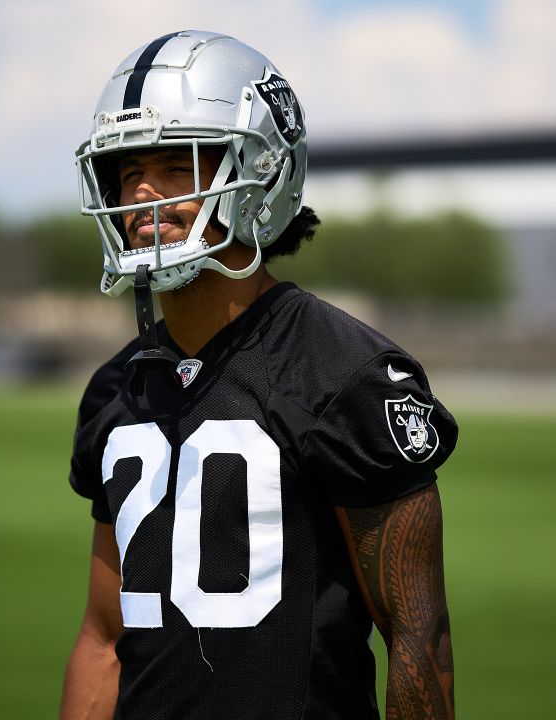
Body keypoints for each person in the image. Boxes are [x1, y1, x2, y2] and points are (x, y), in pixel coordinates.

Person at [61, 31, 458, 719]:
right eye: (128, 172)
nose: (144, 192)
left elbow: (417, 639)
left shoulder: (343, 373)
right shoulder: (116, 389)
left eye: (177, 165)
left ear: (261, 174)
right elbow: (103, 638)